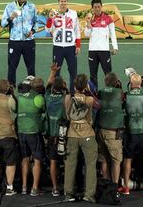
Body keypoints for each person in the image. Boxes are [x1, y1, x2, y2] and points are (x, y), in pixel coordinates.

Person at [63, 74, 98, 203]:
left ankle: (68, 193)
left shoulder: (68, 97)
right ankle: (89, 194)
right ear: (85, 85)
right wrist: (89, 91)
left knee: (70, 164)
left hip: (72, 134)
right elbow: (98, 105)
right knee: (90, 164)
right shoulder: (88, 99)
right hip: (87, 134)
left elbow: (67, 115)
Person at [119, 73, 143, 195]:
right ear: (141, 83)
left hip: (130, 132)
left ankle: (126, 188)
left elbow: (121, 107)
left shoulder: (126, 95)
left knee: (128, 159)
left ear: (130, 83)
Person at [1, 0, 37, 87]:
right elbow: (3, 23)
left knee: (31, 68)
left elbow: (36, 22)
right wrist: (10, 17)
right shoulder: (9, 7)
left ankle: (33, 88)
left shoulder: (32, 6)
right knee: (12, 68)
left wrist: (32, 31)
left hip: (29, 41)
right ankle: (11, 90)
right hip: (14, 41)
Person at [46, 0, 81, 94]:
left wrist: (78, 45)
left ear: (67, 2)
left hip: (70, 47)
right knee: (56, 72)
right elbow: (48, 30)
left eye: (65, 1)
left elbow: (77, 30)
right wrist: (50, 18)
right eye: (61, 1)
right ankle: (57, 92)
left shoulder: (73, 13)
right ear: (58, 2)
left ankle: (72, 93)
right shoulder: (53, 14)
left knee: (73, 72)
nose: (63, 3)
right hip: (58, 47)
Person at [17, 76, 45, 197]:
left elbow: (14, 109)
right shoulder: (38, 98)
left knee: (25, 158)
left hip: (21, 131)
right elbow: (43, 110)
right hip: (33, 132)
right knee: (37, 160)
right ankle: (34, 188)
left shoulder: (20, 97)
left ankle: (23, 187)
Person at [44, 63, 68, 196]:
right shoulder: (66, 98)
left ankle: (55, 188)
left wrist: (52, 73)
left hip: (51, 136)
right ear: (63, 86)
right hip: (64, 136)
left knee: (53, 162)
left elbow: (48, 86)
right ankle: (67, 186)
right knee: (67, 161)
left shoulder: (47, 97)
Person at [84, 0, 118, 89]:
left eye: (99, 7)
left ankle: (110, 93)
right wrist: (88, 24)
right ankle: (94, 94)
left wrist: (115, 47)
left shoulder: (108, 19)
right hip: (92, 51)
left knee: (108, 75)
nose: (97, 9)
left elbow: (113, 34)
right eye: (95, 7)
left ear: (101, 7)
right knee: (93, 75)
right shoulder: (89, 19)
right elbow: (86, 35)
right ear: (92, 8)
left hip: (104, 51)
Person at [97, 72, 124, 187]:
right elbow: (122, 99)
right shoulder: (119, 92)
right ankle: (114, 187)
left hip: (101, 131)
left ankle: (106, 184)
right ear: (116, 82)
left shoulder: (100, 92)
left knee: (104, 159)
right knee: (116, 160)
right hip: (113, 133)